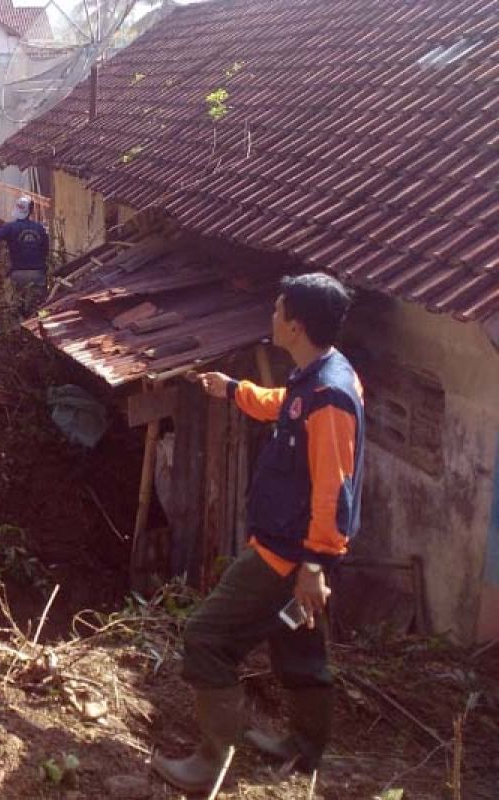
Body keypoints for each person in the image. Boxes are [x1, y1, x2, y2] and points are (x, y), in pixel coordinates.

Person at [151, 273, 364, 794]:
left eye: (276, 310)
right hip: (298, 554)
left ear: (294, 324)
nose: (270, 318)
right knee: (299, 651)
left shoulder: (331, 393)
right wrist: (233, 391)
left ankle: (209, 765)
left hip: (286, 557)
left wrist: (314, 565)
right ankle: (304, 749)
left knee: (205, 637)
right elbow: (285, 407)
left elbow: (332, 490)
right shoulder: (316, 376)